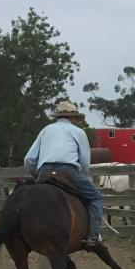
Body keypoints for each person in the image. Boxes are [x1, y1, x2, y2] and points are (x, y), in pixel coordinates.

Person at [23, 101, 104, 246]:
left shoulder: (45, 130)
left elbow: (29, 159)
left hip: (45, 172)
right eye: (76, 118)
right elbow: (85, 162)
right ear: (72, 117)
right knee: (96, 197)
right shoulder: (78, 132)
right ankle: (93, 236)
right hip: (69, 171)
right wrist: (83, 175)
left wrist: (37, 175)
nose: (76, 121)